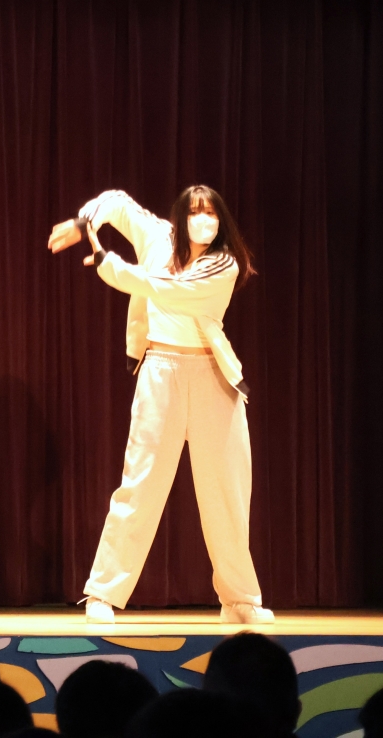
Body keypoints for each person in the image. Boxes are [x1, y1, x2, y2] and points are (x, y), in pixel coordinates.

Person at [48, 186, 272, 624]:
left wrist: (110, 265)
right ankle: (102, 592)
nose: (203, 219)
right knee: (140, 484)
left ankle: (240, 599)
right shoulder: (158, 236)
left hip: (212, 376)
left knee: (226, 491)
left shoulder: (224, 262)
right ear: (180, 216)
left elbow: (167, 288)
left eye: (211, 212)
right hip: (161, 371)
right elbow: (117, 203)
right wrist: (83, 221)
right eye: (195, 211)